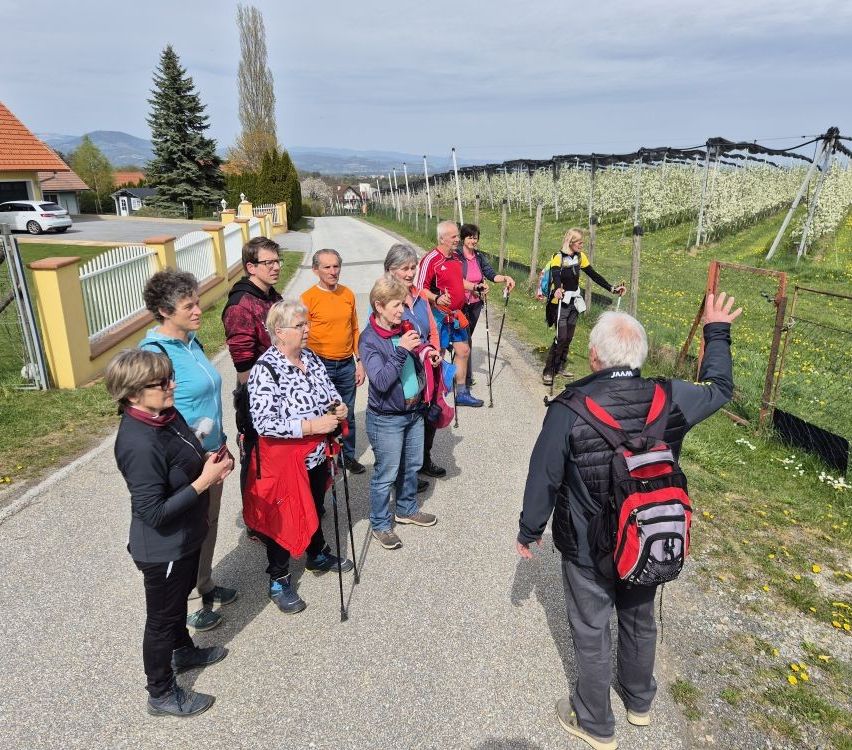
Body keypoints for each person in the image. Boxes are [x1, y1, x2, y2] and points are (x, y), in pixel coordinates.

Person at [516, 293, 742, 750]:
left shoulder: (568, 407)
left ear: (594, 355)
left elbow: (544, 475)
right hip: (647, 536)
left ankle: (595, 722)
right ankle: (639, 702)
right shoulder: (671, 396)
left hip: (586, 544)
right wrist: (716, 331)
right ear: (638, 355)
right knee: (639, 617)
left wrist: (530, 529)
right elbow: (720, 387)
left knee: (592, 626)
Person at [107, 349, 233, 717]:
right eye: (161, 383)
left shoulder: (165, 415)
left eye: (170, 377)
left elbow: (183, 455)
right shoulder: (138, 442)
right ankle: (160, 692)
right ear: (133, 394)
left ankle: (183, 651)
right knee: (160, 619)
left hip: (186, 535)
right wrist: (204, 482)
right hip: (163, 547)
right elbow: (153, 511)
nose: (172, 385)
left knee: (178, 602)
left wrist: (209, 459)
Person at [140, 270, 236, 633]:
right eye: (189, 305)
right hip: (185, 464)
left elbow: (206, 399)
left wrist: (222, 443)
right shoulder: (156, 353)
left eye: (197, 302)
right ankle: (190, 607)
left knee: (208, 526)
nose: (198, 309)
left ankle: (205, 584)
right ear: (165, 311)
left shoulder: (191, 342)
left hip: (212, 455)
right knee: (186, 536)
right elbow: (151, 416)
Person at [246, 299, 354, 614]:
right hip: (286, 460)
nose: (307, 330)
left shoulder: (310, 358)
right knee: (285, 516)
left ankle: (316, 551)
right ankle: (278, 578)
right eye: (300, 325)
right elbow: (264, 423)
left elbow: (328, 391)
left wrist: (339, 406)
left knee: (316, 504)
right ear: (279, 332)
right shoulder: (265, 369)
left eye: (307, 324)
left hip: (318, 454)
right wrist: (310, 425)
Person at [359, 275, 439, 550]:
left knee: (412, 465)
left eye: (403, 304)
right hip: (387, 418)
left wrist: (427, 352)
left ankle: (406, 509)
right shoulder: (369, 339)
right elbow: (381, 381)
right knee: (387, 473)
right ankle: (380, 523)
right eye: (395, 305)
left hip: (414, 410)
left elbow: (417, 347)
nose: (402, 310)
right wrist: (402, 350)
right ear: (379, 306)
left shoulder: (403, 326)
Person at [222, 236, 284, 496]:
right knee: (257, 456)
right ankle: (256, 519)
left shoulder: (271, 295)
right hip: (257, 394)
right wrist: (257, 400)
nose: (276, 267)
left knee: (279, 455)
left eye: (277, 261)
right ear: (251, 267)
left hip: (282, 387)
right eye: (268, 262)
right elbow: (243, 363)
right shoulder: (240, 305)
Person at [300, 249, 366, 474]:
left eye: (336, 266)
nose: (333, 271)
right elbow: (303, 335)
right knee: (323, 414)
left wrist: (360, 361)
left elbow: (355, 328)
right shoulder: (308, 298)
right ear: (315, 270)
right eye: (327, 267)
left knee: (346, 413)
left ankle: (347, 457)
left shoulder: (348, 294)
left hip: (347, 363)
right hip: (320, 365)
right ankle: (323, 459)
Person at [384, 242, 442, 490]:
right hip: (403, 369)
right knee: (407, 421)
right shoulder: (384, 298)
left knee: (427, 415)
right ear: (390, 270)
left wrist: (436, 352)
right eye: (404, 269)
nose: (410, 274)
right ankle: (404, 475)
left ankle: (422, 462)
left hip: (427, 365)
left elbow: (432, 328)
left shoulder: (419, 296)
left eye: (413, 268)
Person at [538, 228, 625, 386]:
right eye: (579, 242)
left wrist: (612, 288)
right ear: (571, 242)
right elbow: (556, 274)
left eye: (582, 242)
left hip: (574, 302)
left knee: (569, 337)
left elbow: (593, 274)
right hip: (560, 303)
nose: (582, 245)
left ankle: (561, 365)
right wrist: (557, 288)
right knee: (561, 337)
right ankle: (549, 371)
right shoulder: (558, 257)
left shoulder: (580, 257)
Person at [415, 220, 483, 408]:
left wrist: (475, 286)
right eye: (453, 237)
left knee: (463, 350)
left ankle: (461, 393)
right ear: (442, 238)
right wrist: (436, 299)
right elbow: (419, 288)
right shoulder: (430, 259)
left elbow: (459, 281)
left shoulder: (456, 258)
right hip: (437, 315)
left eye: (457, 236)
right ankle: (435, 391)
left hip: (456, 314)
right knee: (439, 352)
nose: (457, 240)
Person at [457, 223, 516, 387]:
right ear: (463, 238)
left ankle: (458, 365)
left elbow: (490, 274)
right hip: (460, 304)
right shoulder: (456, 257)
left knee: (465, 338)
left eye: (475, 237)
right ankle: (464, 379)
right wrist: (473, 286)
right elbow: (455, 280)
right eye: (470, 237)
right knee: (465, 340)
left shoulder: (479, 257)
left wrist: (505, 278)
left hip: (475, 304)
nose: (473, 240)